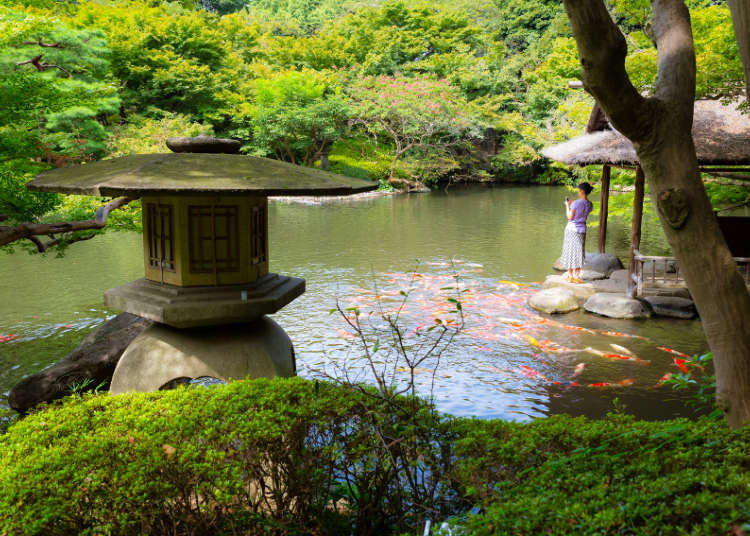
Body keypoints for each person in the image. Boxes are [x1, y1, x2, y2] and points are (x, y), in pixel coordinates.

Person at [560, 182, 594, 283]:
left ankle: (570, 275)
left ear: (582, 191)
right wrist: (573, 204)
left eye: (579, 190)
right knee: (579, 252)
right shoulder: (590, 204)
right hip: (582, 230)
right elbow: (582, 208)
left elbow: (570, 217)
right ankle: (577, 276)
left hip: (572, 229)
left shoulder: (576, 203)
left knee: (570, 250)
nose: (578, 192)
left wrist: (567, 206)